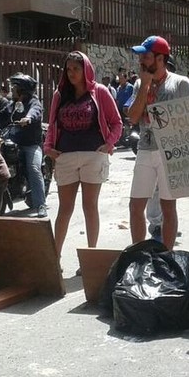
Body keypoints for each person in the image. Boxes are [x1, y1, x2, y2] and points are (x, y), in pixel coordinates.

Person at [44, 51, 122, 265]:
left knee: (90, 206)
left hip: (93, 156)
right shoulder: (60, 95)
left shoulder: (100, 92)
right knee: (65, 208)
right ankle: (54, 258)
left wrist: (109, 144)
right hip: (65, 156)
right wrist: (48, 147)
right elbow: (52, 124)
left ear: (86, 69)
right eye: (68, 69)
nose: (71, 73)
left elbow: (117, 122)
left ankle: (90, 258)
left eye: (76, 69)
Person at [126, 35, 189, 249]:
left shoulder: (180, 83)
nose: (141, 61)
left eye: (146, 56)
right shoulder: (139, 83)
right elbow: (133, 117)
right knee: (135, 206)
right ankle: (137, 254)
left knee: (168, 207)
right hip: (145, 150)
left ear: (160, 58)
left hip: (169, 152)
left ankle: (167, 254)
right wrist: (145, 86)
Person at [6, 73, 48, 218]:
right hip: (14, 142)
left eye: (14, 87)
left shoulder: (33, 102)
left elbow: (35, 111)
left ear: (22, 90)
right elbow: (3, 114)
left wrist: (28, 118)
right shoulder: (12, 104)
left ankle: (41, 205)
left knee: (34, 168)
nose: (12, 90)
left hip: (31, 145)